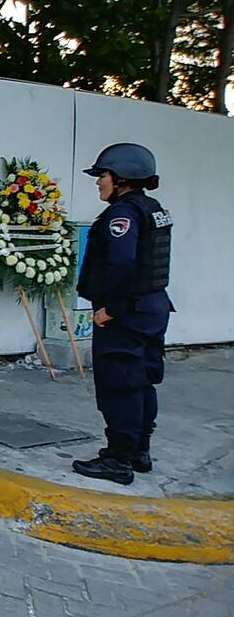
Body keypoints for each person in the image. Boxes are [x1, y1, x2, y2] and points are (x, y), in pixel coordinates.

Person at [73, 143, 173, 486]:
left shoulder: (123, 214)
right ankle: (138, 452)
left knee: (119, 385)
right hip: (151, 309)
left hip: (126, 314)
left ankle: (118, 460)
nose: (98, 181)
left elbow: (123, 263)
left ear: (122, 178)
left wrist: (109, 310)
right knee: (141, 381)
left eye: (103, 175)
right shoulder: (152, 209)